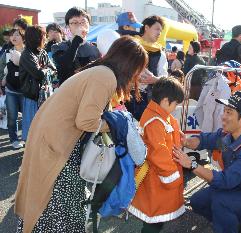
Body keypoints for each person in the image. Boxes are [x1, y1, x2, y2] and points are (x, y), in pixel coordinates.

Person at [14, 36, 148, 233]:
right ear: (130, 64)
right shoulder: (106, 77)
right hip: (58, 144)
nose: (139, 73)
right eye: (139, 67)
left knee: (50, 201)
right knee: (60, 206)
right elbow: (87, 121)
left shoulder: (99, 71)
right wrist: (115, 124)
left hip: (53, 136)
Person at [173, 91, 241, 233]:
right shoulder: (227, 135)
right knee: (197, 201)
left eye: (229, 112)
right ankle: (237, 225)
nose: (223, 116)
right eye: (224, 111)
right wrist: (186, 141)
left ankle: (237, 224)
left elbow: (224, 181)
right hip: (238, 186)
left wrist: (192, 164)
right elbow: (205, 140)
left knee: (221, 201)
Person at [129, 77, 185, 233]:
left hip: (158, 175)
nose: (175, 108)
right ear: (166, 101)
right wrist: (173, 176)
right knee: (155, 217)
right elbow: (158, 152)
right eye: (175, 104)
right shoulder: (155, 121)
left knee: (155, 217)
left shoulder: (157, 114)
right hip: (158, 178)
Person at [125, 15, 168, 121]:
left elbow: (164, 76)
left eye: (161, 31)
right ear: (146, 27)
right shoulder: (131, 45)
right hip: (127, 95)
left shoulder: (160, 52)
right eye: (157, 29)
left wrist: (155, 80)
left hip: (149, 98)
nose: (159, 33)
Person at [19, 26, 56, 142]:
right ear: (36, 38)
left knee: (44, 127)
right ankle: (31, 154)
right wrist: (45, 70)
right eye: (43, 35)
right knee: (32, 130)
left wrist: (45, 70)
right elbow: (38, 74)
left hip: (45, 95)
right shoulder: (27, 54)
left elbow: (54, 70)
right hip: (32, 96)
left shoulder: (42, 52)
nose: (45, 38)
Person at [52, 7, 100, 85]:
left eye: (83, 21)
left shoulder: (95, 49)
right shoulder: (58, 47)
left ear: (89, 25)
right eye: (75, 23)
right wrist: (77, 39)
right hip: (67, 93)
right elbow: (65, 64)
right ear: (68, 26)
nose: (80, 25)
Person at [0, 29, 25, 149]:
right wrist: (2, 82)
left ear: (23, 37)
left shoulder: (29, 52)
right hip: (11, 90)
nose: (13, 37)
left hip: (26, 91)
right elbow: (2, 69)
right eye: (12, 35)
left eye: (17, 35)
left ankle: (28, 138)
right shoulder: (7, 52)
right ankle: (14, 140)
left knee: (28, 116)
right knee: (12, 117)